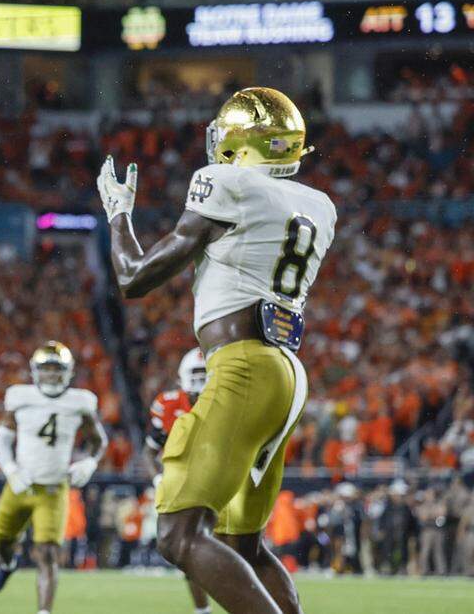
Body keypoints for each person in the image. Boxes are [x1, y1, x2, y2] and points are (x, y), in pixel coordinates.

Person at [98, 87, 336, 614]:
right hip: (287, 370)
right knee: (240, 543)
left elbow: (134, 278)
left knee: (179, 536)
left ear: (242, 143)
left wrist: (118, 215)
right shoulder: (318, 204)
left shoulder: (222, 181)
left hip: (243, 365)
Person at [0, 341, 105, 614]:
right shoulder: (20, 397)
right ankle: (7, 564)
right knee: (2, 540)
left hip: (53, 489)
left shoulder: (80, 402)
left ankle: (44, 611)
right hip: (21, 484)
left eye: (57, 369)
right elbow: (1, 441)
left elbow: (98, 441)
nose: (52, 374)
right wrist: (11, 470)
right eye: (47, 368)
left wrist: (90, 461)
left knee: (49, 552)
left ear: (68, 372)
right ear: (35, 371)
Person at [144, 349, 211, 614]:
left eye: (204, 375)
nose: (200, 382)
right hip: (183, 484)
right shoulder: (169, 404)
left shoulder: (228, 401)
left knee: (238, 547)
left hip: (222, 480)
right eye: (195, 375)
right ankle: (202, 610)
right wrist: (158, 479)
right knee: (184, 549)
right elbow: (149, 450)